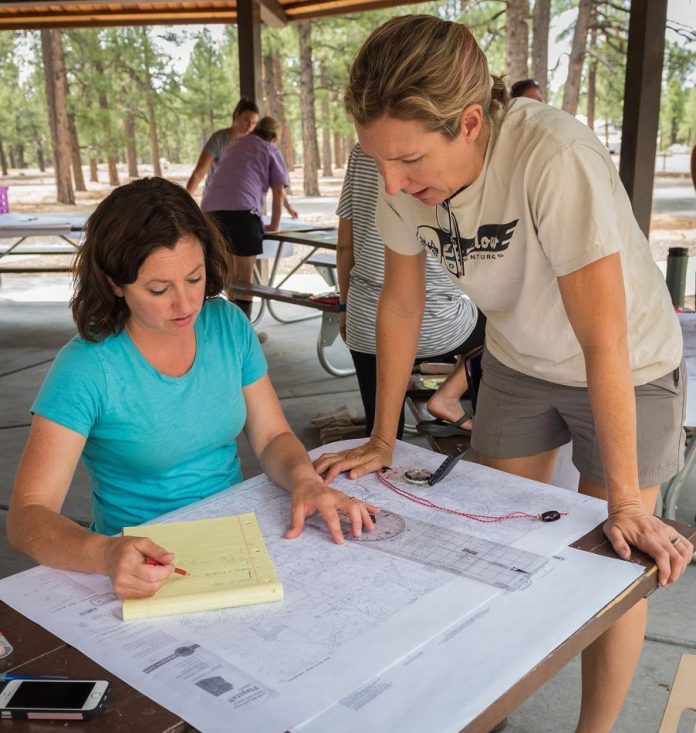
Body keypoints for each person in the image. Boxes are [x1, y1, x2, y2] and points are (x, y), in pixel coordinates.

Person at [314, 15, 693, 733]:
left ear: (470, 123)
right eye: (377, 161)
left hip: (628, 365)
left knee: (612, 559)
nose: (392, 182)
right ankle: (483, 715)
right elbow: (399, 301)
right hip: (519, 358)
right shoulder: (392, 166)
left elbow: (602, 340)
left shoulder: (553, 155)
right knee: (488, 545)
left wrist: (623, 501)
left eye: (410, 162)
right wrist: (383, 436)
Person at [7, 177, 377, 601]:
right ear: (114, 283)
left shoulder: (228, 326)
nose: (185, 306)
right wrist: (105, 553)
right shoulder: (87, 368)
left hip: (237, 543)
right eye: (158, 290)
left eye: (194, 278)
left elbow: (273, 436)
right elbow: (28, 518)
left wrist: (304, 481)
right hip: (144, 562)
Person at [337, 142, 484, 438]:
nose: (393, 183)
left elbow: (344, 244)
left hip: (366, 318)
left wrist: (344, 308)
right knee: (502, 330)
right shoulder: (447, 151)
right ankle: (450, 397)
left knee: (381, 431)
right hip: (437, 322)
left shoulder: (361, 153)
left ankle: (382, 453)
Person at [201, 116, 289, 319]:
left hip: (210, 214)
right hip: (241, 214)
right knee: (244, 278)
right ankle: (244, 336)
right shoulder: (269, 149)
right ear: (273, 137)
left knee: (229, 279)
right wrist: (274, 225)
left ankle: (231, 333)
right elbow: (278, 192)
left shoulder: (235, 145)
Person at [185, 98, 260, 196]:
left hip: (242, 200)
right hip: (215, 198)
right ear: (236, 115)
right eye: (247, 121)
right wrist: (185, 199)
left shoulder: (255, 144)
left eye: (254, 123)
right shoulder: (219, 139)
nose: (250, 126)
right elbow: (199, 173)